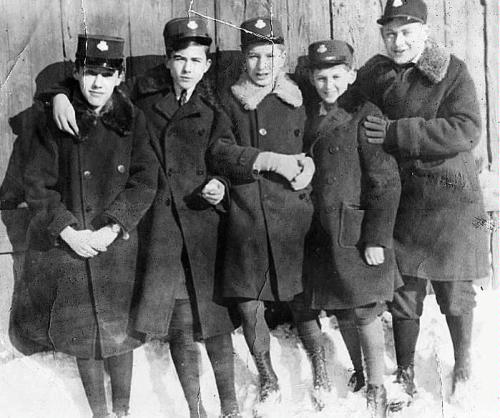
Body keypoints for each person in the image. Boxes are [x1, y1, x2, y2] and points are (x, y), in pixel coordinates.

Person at [48, 17, 241, 418]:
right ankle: (196, 409)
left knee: (216, 321)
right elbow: (95, 83)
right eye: (179, 59)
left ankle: (231, 406)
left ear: (207, 65)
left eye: (196, 60)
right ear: (167, 61)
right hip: (160, 229)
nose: (187, 67)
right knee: (180, 323)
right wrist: (58, 95)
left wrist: (220, 184)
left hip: (202, 228)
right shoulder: (142, 101)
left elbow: (224, 158)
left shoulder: (215, 110)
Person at [357, 0, 490, 409]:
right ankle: (405, 372)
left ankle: (462, 367)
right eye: (390, 34)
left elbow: (466, 129)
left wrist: (398, 132)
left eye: (406, 33)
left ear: (425, 33)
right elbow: (347, 105)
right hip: (404, 200)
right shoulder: (375, 74)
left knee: (455, 291)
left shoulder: (450, 71)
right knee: (405, 293)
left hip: (451, 201)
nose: (397, 42)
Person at [20, 34, 158, 418]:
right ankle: (99, 412)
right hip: (71, 245)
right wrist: (68, 232)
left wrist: (113, 227)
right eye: (90, 73)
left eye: (107, 74)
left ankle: (123, 410)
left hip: (116, 243)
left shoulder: (133, 120)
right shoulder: (55, 122)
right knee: (83, 333)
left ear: (119, 77)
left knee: (120, 332)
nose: (98, 83)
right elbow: (38, 186)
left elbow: (145, 180)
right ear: (78, 73)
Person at [289, 39, 401, 417]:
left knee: (365, 311)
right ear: (311, 78)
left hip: (355, 231)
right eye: (322, 78)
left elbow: (385, 182)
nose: (329, 85)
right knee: (341, 308)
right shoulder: (307, 113)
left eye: (337, 76)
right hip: (321, 231)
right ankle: (359, 371)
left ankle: (377, 388)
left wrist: (377, 238)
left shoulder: (365, 114)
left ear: (351, 75)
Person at [207, 17, 315, 407]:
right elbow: (218, 151)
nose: (262, 65)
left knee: (303, 293)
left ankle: (320, 366)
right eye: (253, 56)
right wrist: (267, 160)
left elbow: (321, 139)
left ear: (282, 57)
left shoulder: (300, 97)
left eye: (270, 56)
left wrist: (310, 165)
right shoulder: (229, 100)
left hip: (293, 210)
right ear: (243, 59)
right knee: (248, 297)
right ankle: (266, 373)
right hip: (248, 212)